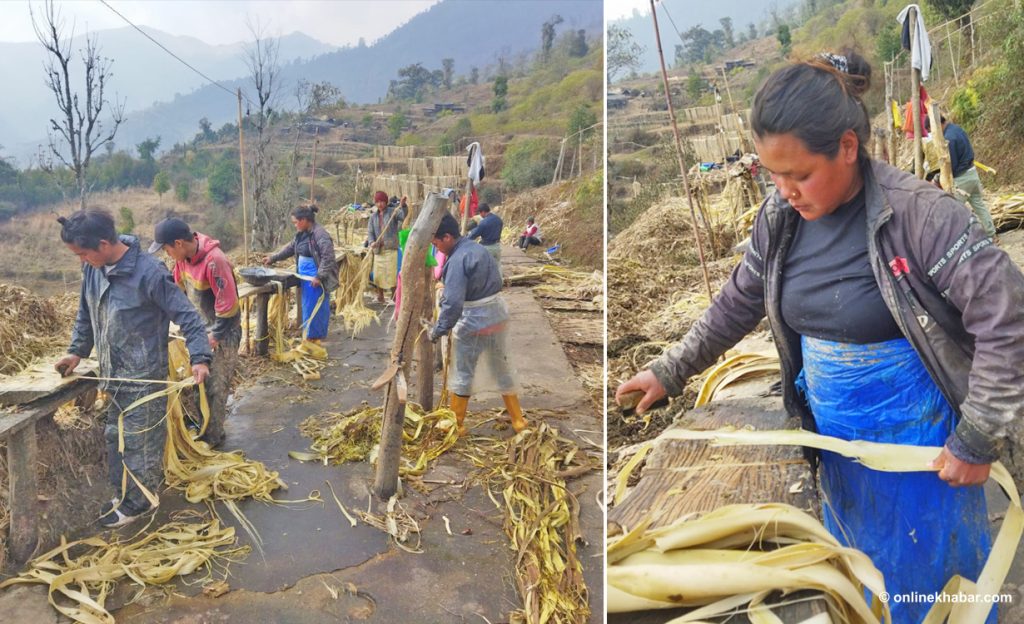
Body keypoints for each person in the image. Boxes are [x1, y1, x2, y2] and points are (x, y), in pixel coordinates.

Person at [615, 50, 1023, 624]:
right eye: (773, 174)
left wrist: (977, 438)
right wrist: (668, 369)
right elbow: (737, 302)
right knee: (857, 573)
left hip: (922, 448)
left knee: (931, 580)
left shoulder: (924, 217)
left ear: (848, 150)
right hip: (833, 439)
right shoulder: (779, 222)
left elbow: (1007, 320)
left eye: (799, 174)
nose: (785, 190)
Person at [54, 209, 212, 527]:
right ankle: (123, 494)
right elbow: (86, 314)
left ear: (102, 243)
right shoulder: (93, 270)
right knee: (116, 437)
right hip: (113, 375)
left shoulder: (150, 273)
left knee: (141, 442)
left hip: (144, 379)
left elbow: (189, 317)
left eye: (83, 253)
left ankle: (139, 504)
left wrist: (199, 357)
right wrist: (76, 352)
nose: (81, 260)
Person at [429, 213, 526, 436]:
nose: (437, 249)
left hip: (474, 321)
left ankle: (456, 424)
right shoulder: (479, 249)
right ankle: (518, 421)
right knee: (502, 368)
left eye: (436, 244)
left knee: (463, 371)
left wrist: (439, 329)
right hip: (497, 315)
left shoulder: (456, 260)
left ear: (446, 237)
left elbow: (453, 303)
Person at [150, 218, 240, 448]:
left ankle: (213, 439)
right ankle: (204, 429)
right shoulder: (183, 261)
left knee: (215, 386)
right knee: (199, 384)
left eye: (167, 249)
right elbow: (176, 291)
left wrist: (214, 336)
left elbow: (228, 307)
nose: (167, 254)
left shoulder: (214, 262)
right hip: (199, 332)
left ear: (178, 243)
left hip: (222, 332)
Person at [264, 205, 338, 342]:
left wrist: (319, 276)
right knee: (307, 307)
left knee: (316, 308)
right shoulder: (301, 235)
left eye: (295, 222)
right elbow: (290, 249)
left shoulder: (320, 235)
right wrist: (273, 258)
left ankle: (315, 338)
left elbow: (328, 258)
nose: (295, 225)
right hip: (305, 278)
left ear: (304, 220)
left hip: (315, 279)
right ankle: (311, 335)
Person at [941, 114, 997, 239]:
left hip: (962, 180)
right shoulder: (957, 129)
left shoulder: (948, 138)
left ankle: (960, 240)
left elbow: (952, 164)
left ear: (938, 125)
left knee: (954, 211)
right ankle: (992, 235)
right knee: (980, 206)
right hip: (972, 173)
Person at [366, 190, 406, 304]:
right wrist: (372, 242)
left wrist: (402, 205)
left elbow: (403, 216)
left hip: (390, 248)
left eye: (382, 201)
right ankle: (380, 296)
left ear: (386, 202)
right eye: (377, 202)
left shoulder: (393, 212)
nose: (380, 204)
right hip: (379, 250)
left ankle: (394, 297)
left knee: (391, 274)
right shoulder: (373, 217)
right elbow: (370, 232)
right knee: (378, 275)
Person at [467, 203, 503, 276]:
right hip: (497, 246)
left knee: (485, 266)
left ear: (483, 212)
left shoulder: (483, 223)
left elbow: (474, 234)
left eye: (480, 213)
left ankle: (487, 284)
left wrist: (466, 239)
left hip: (487, 247)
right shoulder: (499, 220)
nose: (480, 215)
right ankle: (500, 282)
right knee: (497, 265)